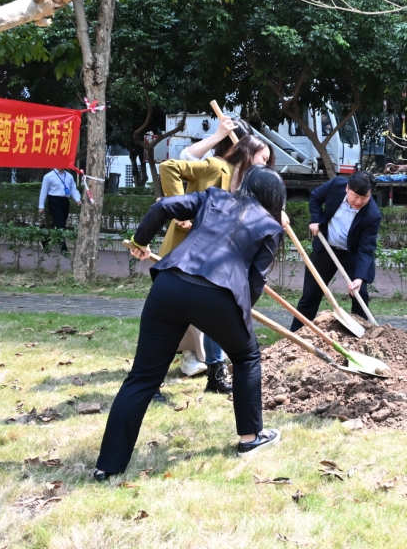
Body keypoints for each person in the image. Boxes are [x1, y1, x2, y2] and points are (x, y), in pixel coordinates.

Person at [93, 166, 287, 481]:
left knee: (142, 376)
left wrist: (139, 241)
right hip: (219, 296)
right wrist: (237, 318)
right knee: (247, 355)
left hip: (170, 284)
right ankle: (250, 439)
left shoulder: (215, 197)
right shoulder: (270, 225)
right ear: (275, 198)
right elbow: (254, 285)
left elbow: (163, 206)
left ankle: (107, 465)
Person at [157, 119, 273, 393]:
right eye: (263, 158)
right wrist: (181, 211)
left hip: (214, 261)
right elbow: (171, 165)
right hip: (184, 254)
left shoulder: (248, 181)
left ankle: (216, 376)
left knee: (214, 316)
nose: (266, 165)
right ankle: (154, 382)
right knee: (171, 322)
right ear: (247, 149)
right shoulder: (215, 165)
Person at [291, 170, 380, 329]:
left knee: (360, 294)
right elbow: (315, 198)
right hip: (326, 248)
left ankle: (358, 336)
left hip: (351, 255)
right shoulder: (335, 185)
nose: (359, 201)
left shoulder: (372, 214)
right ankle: (296, 334)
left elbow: (366, 248)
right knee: (311, 294)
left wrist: (359, 278)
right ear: (347, 188)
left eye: (364, 197)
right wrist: (316, 220)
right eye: (356, 196)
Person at [38, 168, 80, 255]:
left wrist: (77, 199)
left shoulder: (69, 176)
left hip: (65, 201)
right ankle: (63, 247)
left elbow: (73, 189)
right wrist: (41, 206)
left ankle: (45, 240)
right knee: (60, 224)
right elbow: (43, 192)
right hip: (54, 200)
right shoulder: (48, 176)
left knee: (60, 224)